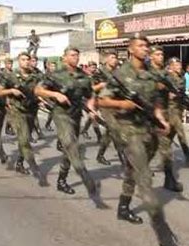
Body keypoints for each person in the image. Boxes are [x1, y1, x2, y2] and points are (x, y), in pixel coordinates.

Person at [99, 34, 181, 246]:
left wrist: (162, 120)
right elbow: (102, 100)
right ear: (130, 49)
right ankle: (162, 230)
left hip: (148, 130)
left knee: (131, 170)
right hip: (129, 130)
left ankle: (123, 207)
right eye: (141, 46)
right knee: (144, 176)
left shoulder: (149, 74)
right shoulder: (119, 74)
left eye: (147, 46)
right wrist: (122, 103)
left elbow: (153, 103)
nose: (145, 49)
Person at [35, 46, 105, 208]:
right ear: (64, 58)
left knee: (68, 149)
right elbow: (38, 90)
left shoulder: (84, 76)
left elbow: (89, 96)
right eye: (72, 55)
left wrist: (92, 109)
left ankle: (61, 179)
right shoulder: (55, 75)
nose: (76, 58)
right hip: (61, 115)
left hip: (76, 116)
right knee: (72, 145)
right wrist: (55, 94)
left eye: (77, 55)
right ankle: (85, 176)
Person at [0, 52, 48, 186]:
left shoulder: (36, 76)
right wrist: (11, 91)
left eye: (28, 59)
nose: (26, 62)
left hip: (32, 110)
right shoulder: (10, 76)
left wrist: (42, 99)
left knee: (24, 140)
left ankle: (19, 162)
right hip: (17, 111)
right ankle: (34, 167)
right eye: (23, 59)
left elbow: (41, 90)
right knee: (25, 139)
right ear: (18, 61)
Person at [149, 47, 184, 192]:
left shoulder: (165, 73)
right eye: (157, 54)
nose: (161, 56)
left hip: (166, 112)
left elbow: (173, 90)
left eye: (162, 54)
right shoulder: (146, 72)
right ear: (151, 56)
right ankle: (169, 179)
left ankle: (141, 168)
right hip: (151, 113)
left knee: (158, 146)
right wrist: (157, 86)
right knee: (161, 147)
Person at [93, 51, 125, 166]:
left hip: (117, 103)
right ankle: (124, 159)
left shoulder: (119, 73)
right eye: (112, 57)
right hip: (104, 104)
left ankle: (100, 155)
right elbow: (91, 89)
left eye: (115, 57)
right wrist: (100, 86)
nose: (114, 60)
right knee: (115, 129)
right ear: (106, 59)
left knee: (110, 132)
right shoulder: (99, 73)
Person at [81, 61, 103, 143]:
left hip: (96, 98)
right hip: (86, 99)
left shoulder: (96, 76)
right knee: (94, 117)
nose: (94, 69)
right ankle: (99, 136)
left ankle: (84, 130)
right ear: (88, 67)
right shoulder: (84, 76)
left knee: (92, 117)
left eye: (95, 67)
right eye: (92, 67)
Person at [2, 58, 15, 136]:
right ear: (5, 64)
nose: (10, 65)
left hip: (13, 95)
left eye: (11, 63)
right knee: (10, 113)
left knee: (12, 113)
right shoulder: (3, 74)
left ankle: (8, 128)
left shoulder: (12, 72)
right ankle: (10, 128)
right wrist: (6, 99)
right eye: (8, 64)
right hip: (6, 95)